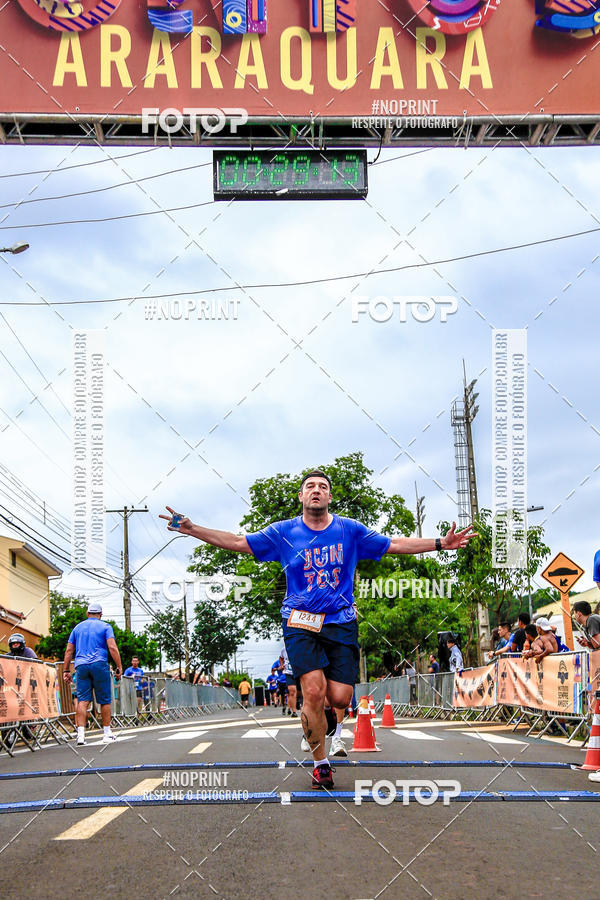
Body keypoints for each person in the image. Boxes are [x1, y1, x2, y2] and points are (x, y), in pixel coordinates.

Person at [161, 471, 475, 789]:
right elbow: (239, 542)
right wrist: (192, 529)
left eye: (322, 487)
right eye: (310, 486)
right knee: (313, 691)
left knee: (340, 696)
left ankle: (319, 717)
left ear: (329, 497)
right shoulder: (283, 532)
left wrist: (440, 544)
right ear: (301, 496)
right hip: (299, 620)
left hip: (340, 621)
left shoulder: (349, 530)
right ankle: (320, 763)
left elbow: (393, 543)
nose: (316, 490)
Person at [62, 602, 122, 746]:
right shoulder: (106, 627)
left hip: (81, 665)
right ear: (100, 614)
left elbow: (69, 650)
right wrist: (119, 665)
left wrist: (65, 670)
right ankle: (106, 733)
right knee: (104, 699)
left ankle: (81, 735)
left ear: (87, 613)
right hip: (99, 664)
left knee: (82, 700)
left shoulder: (77, 628)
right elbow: (112, 647)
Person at [279, 645, 299, 718]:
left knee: (301, 692)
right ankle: (294, 711)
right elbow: (281, 658)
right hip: (289, 673)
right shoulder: (284, 649)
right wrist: (281, 666)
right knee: (292, 691)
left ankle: (293, 706)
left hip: (300, 672)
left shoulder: (300, 647)